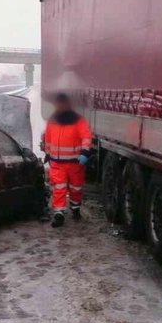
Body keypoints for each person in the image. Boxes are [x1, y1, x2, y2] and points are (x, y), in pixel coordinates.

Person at [41, 93, 92, 227]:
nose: (60, 106)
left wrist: (85, 152)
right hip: (57, 162)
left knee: (76, 188)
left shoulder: (78, 120)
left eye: (62, 103)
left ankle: (75, 208)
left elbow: (86, 136)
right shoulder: (52, 120)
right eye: (58, 104)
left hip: (75, 162)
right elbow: (48, 138)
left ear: (67, 104)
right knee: (59, 188)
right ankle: (59, 213)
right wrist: (47, 153)